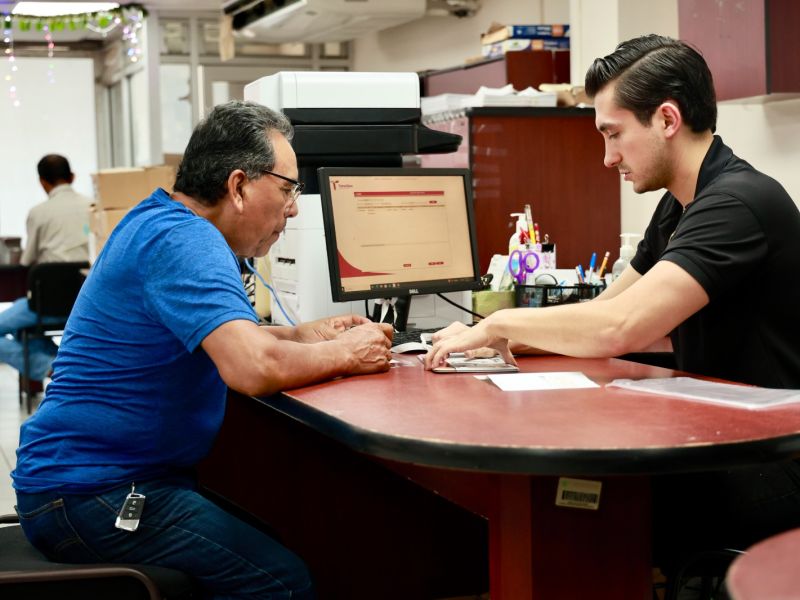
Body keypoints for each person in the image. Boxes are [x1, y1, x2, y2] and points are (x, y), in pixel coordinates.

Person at [426, 35, 800, 568]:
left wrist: (498, 322)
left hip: (778, 462)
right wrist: (498, 343)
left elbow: (621, 327)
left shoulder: (739, 204)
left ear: (667, 119)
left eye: (614, 134)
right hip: (730, 440)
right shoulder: (682, 204)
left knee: (575, 503)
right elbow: (609, 305)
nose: (608, 158)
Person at [12, 101, 393, 599]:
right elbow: (251, 367)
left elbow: (218, 336)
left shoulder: (159, 220)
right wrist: (351, 353)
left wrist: (302, 336)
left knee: (278, 542)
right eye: (286, 189)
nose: (294, 207)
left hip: (89, 482)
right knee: (281, 580)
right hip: (92, 494)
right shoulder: (187, 240)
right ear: (237, 186)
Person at [0, 154, 91, 387]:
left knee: (24, 326)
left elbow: (28, 259)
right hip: (85, 303)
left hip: (46, 305)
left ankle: (50, 367)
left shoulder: (38, 212)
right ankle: (67, 366)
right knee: (26, 333)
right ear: (72, 177)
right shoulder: (92, 206)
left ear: (42, 181)